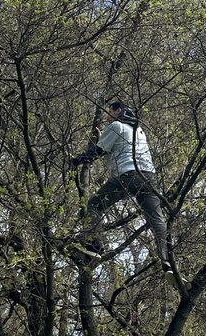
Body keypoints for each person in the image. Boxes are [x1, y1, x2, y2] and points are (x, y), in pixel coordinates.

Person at [72, 101, 174, 276]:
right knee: (157, 220)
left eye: (110, 112)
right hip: (149, 177)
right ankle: (167, 261)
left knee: (94, 205)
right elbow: (118, 146)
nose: (107, 117)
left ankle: (94, 246)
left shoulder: (116, 126)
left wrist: (75, 161)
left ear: (118, 111)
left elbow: (97, 152)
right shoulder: (139, 131)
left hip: (128, 175)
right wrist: (102, 136)